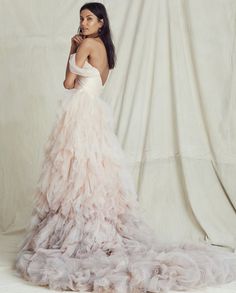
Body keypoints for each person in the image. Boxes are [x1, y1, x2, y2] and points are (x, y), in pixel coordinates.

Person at [14, 2, 236, 293]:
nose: (83, 23)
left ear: (101, 23)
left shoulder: (86, 46)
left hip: (80, 114)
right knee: (92, 174)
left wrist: (71, 49)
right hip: (95, 113)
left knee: (75, 173)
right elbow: (96, 81)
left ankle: (79, 229)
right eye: (81, 18)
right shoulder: (106, 51)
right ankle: (94, 226)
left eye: (89, 19)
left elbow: (68, 83)